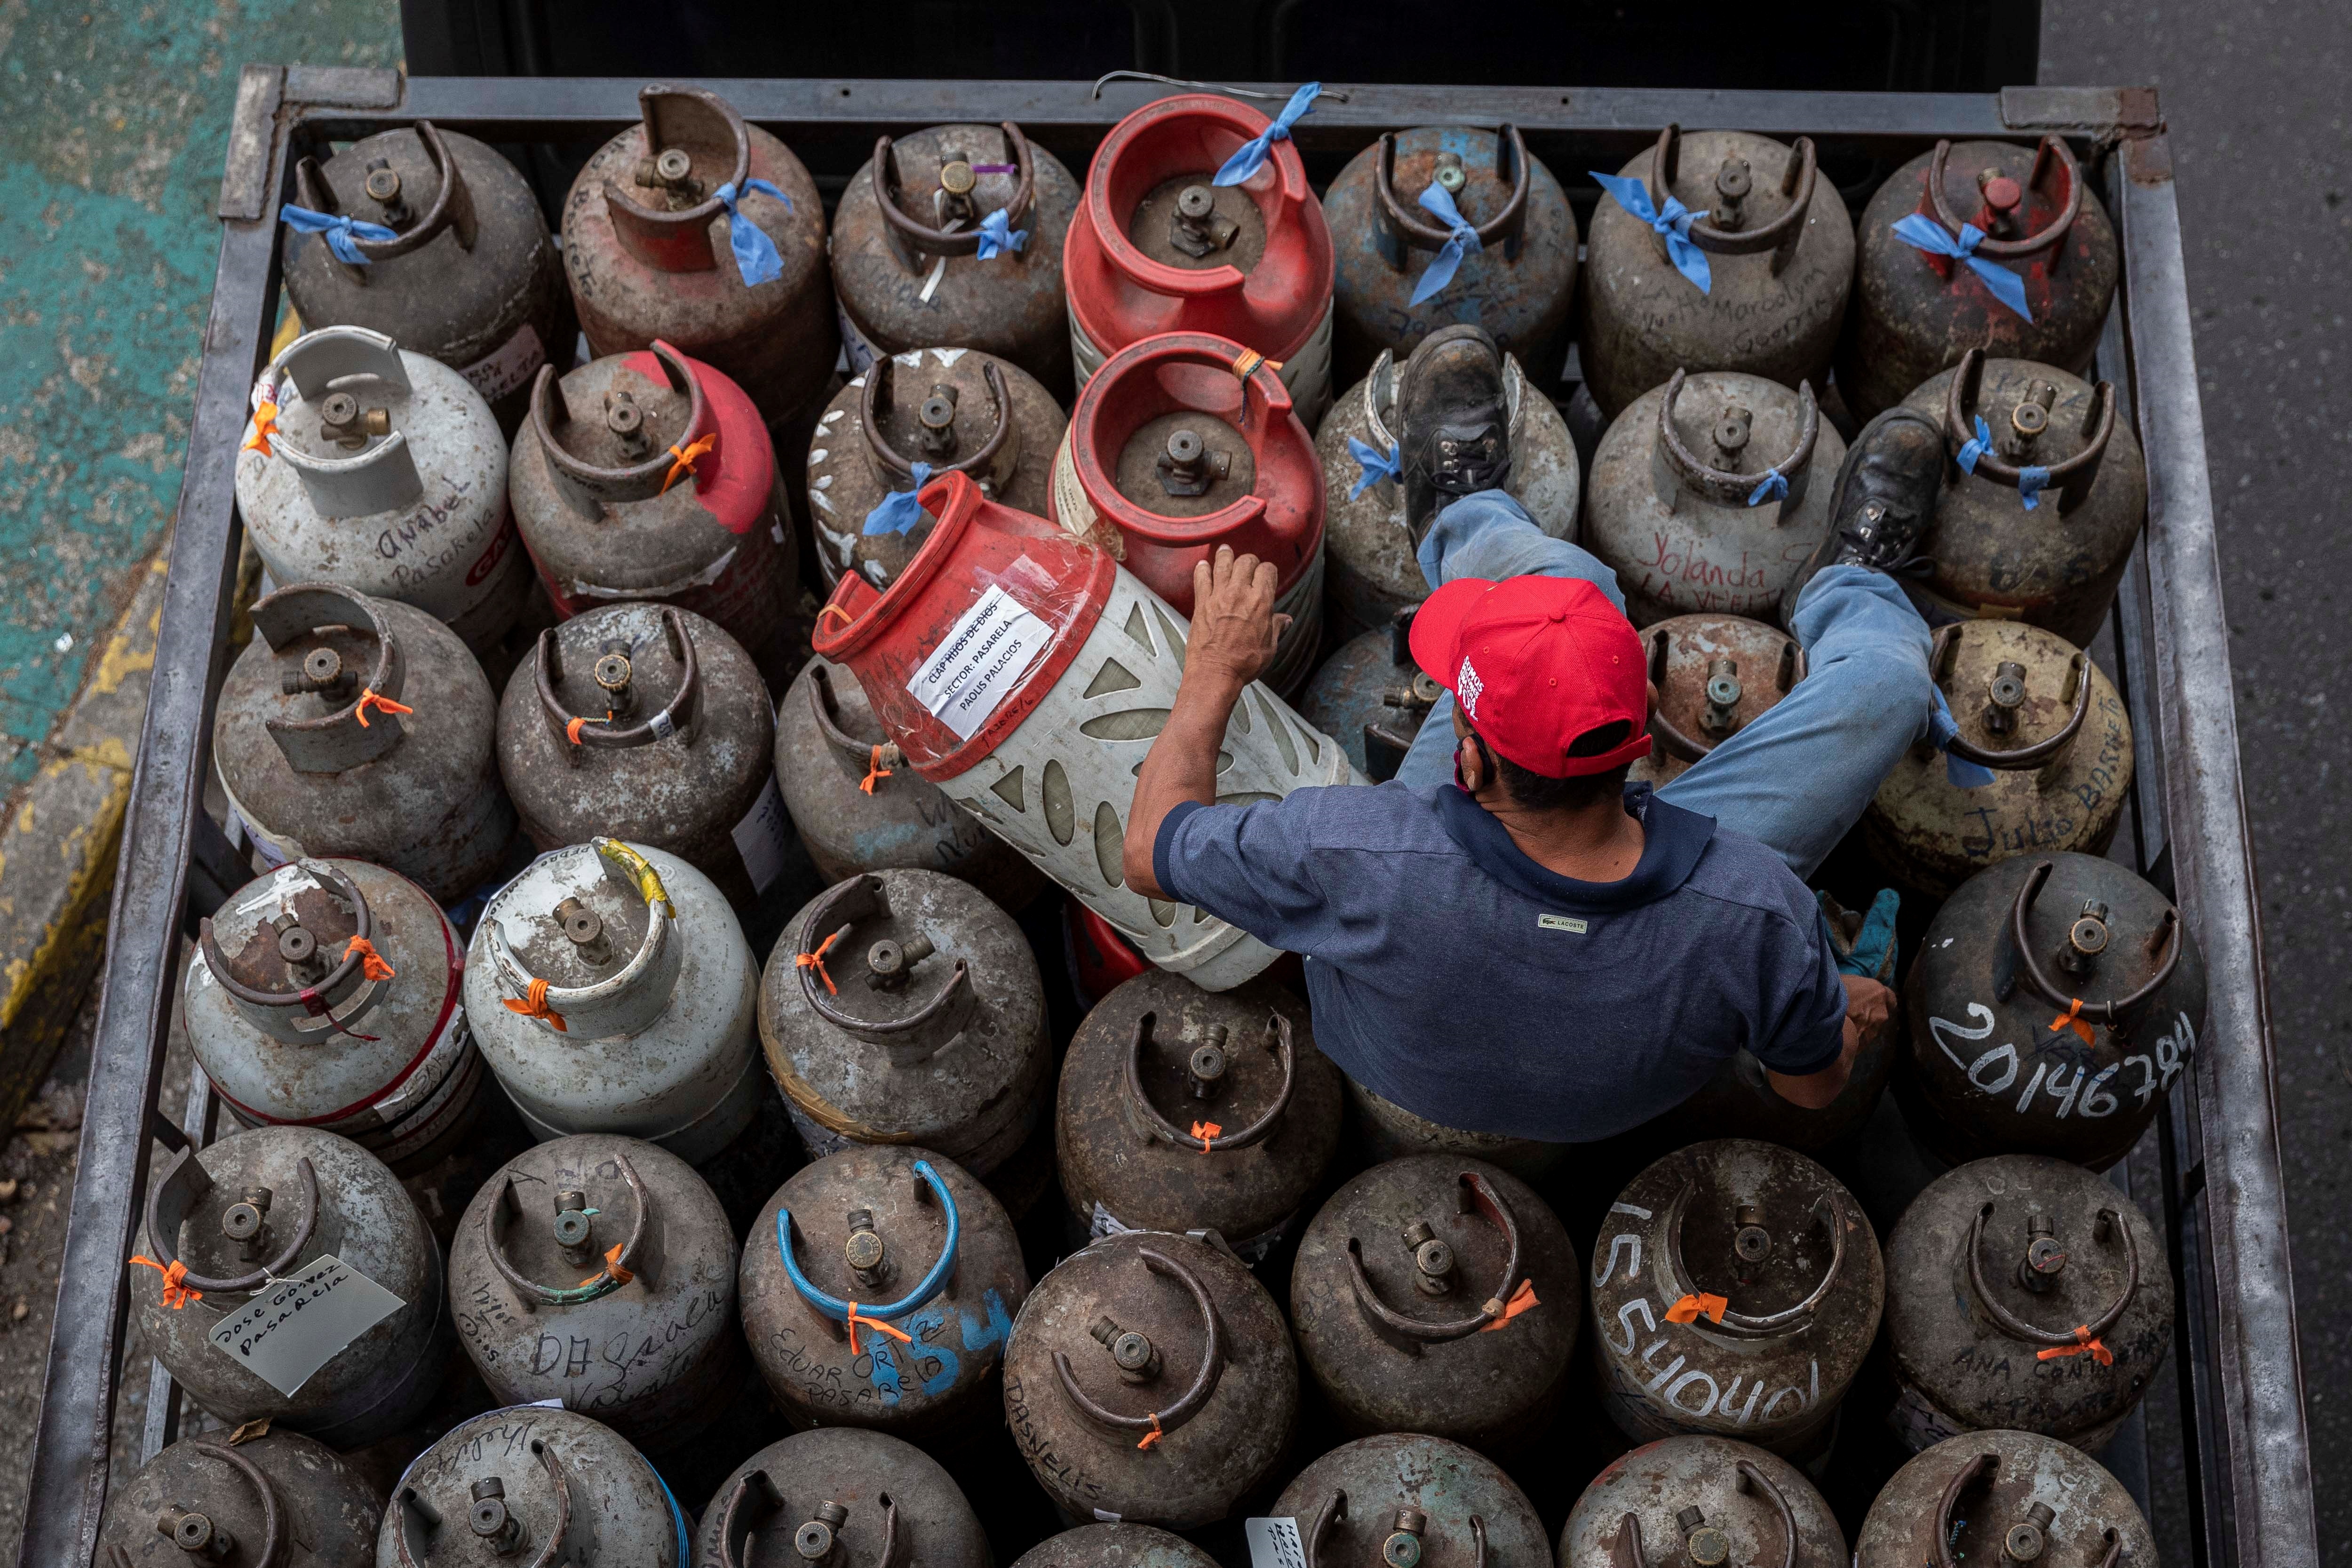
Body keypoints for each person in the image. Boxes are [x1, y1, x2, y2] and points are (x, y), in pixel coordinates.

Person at [1120, 325, 1943, 1144]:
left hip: (1399, 1059)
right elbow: (1809, 1090)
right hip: (1617, 1093)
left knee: (1572, 581)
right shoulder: (1756, 914)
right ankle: (1856, 585)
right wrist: (1839, 1017)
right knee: (1894, 683)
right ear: (1645, 721)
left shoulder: (1353, 854)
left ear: (1463, 762)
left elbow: (1149, 847)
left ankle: (1461, 511)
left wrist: (1214, 671)